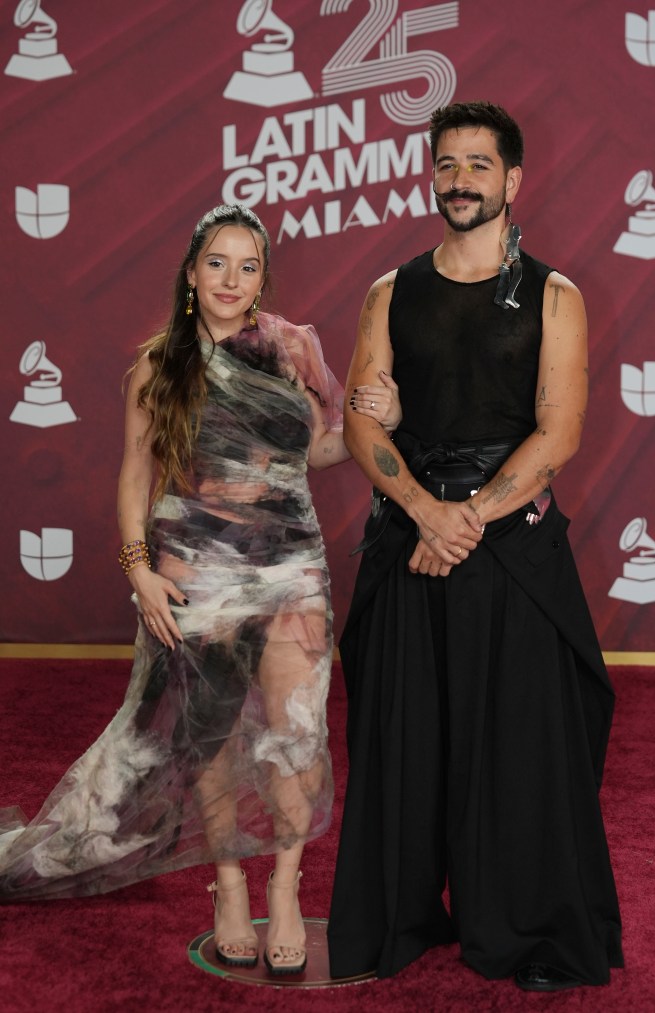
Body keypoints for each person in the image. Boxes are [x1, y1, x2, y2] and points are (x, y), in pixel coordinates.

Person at [0, 203, 399, 976]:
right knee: (210, 739)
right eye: (217, 262)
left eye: (248, 266)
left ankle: (284, 889)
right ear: (191, 272)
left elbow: (316, 449)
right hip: (195, 572)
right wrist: (139, 571)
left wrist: (379, 416)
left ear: (262, 278)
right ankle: (227, 888)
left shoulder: (292, 349)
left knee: (296, 733)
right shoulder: (157, 366)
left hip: (290, 568)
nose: (232, 279)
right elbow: (135, 473)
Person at [327, 102, 623, 991]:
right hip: (411, 541)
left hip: (509, 550)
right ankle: (402, 918)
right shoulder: (389, 291)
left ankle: (525, 927)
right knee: (403, 743)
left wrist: (464, 520)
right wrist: (424, 510)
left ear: (511, 181)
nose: (458, 180)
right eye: (445, 163)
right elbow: (358, 419)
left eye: (477, 166)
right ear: (431, 173)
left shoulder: (554, 294)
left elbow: (557, 433)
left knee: (521, 748)